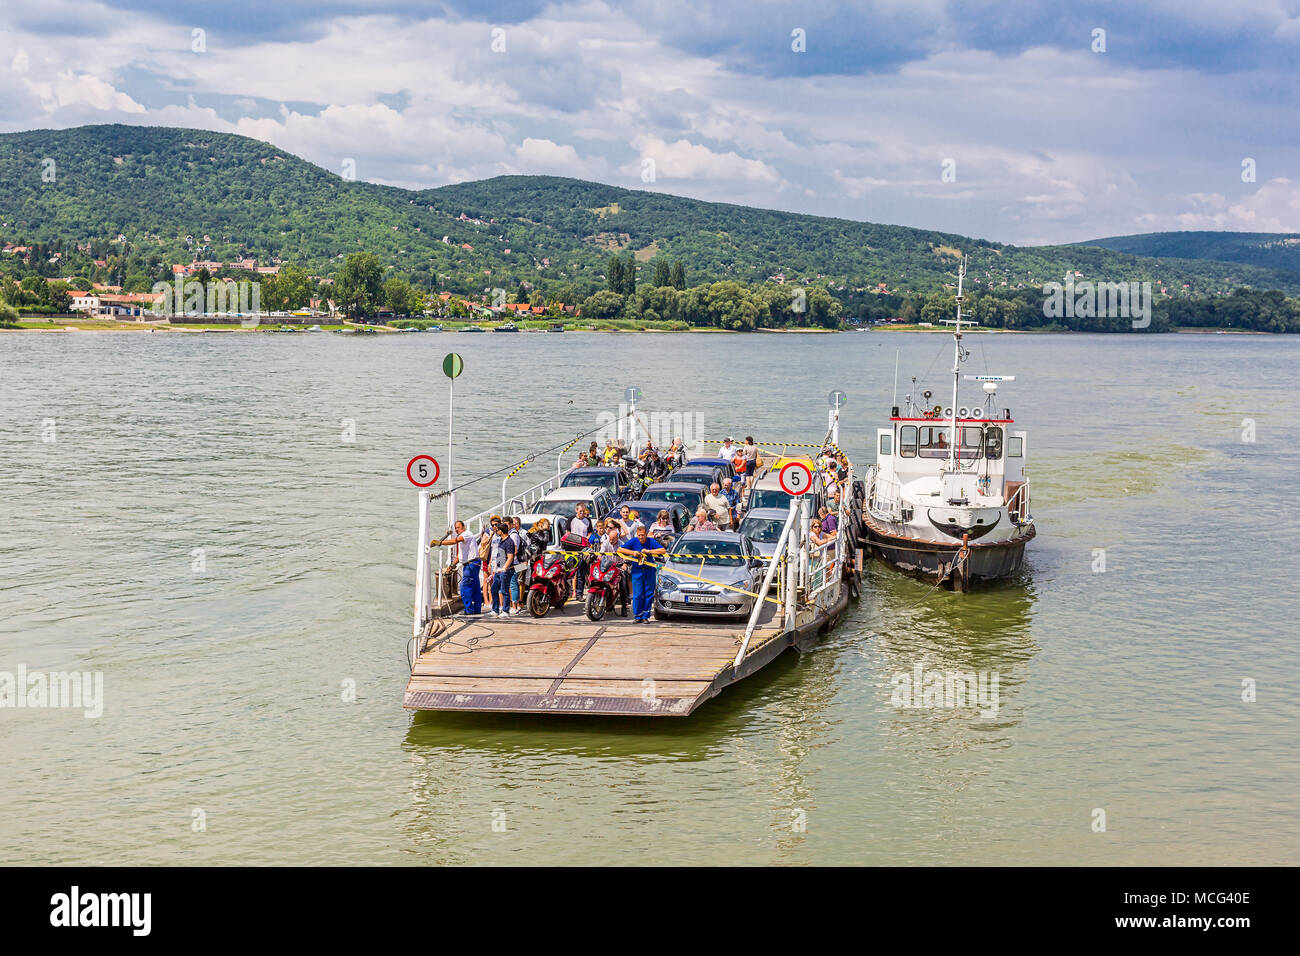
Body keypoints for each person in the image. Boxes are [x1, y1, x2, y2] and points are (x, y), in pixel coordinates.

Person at [618, 525, 666, 623]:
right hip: (637, 571)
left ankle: (645, 615)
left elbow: (663, 550)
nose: (641, 537)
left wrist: (649, 551)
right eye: (639, 535)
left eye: (643, 535)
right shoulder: (634, 541)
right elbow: (620, 549)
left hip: (649, 571)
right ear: (637, 534)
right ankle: (637, 616)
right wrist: (633, 553)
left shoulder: (650, 541)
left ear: (646, 534)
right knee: (637, 594)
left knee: (648, 594)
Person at [433, 520, 482, 615]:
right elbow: (459, 557)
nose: (456, 529)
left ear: (463, 527)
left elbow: (456, 540)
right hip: (473, 563)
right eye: (455, 528)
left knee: (464, 588)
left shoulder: (466, 534)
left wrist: (441, 542)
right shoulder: (464, 541)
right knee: (475, 588)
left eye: (458, 527)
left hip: (471, 565)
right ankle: (477, 610)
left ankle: (469, 611)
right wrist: (451, 566)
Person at [489, 523, 516, 617]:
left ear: (501, 531)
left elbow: (510, 557)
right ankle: (495, 609)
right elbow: (499, 555)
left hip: (506, 570)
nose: (496, 532)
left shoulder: (509, 542)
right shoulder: (501, 540)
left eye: (497, 530)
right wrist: (495, 568)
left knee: (504, 590)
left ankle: (505, 611)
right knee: (494, 589)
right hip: (498, 569)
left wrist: (504, 568)